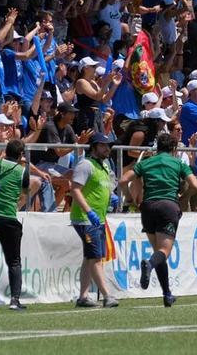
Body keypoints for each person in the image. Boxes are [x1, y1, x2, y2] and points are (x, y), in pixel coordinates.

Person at [118, 133, 197, 307]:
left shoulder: (145, 163)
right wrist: (183, 198)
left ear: (157, 148)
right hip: (168, 206)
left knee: (159, 252)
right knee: (163, 251)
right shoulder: (178, 163)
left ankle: (167, 294)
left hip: (147, 207)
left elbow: (123, 180)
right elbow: (195, 185)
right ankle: (149, 264)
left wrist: (130, 198)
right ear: (174, 149)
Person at [0, 138, 45, 309]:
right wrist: (16, 205)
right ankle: (15, 300)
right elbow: (25, 192)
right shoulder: (22, 171)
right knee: (14, 261)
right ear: (20, 155)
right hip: (9, 218)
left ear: (5, 150)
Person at [70, 132, 118, 308]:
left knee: (89, 257)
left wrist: (111, 196)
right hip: (86, 219)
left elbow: (107, 186)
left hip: (98, 219)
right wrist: (89, 211)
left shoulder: (104, 166)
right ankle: (106, 295)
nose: (108, 149)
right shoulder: (86, 165)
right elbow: (75, 189)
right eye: (104, 145)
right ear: (94, 147)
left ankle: (83, 296)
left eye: (109, 146)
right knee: (96, 258)